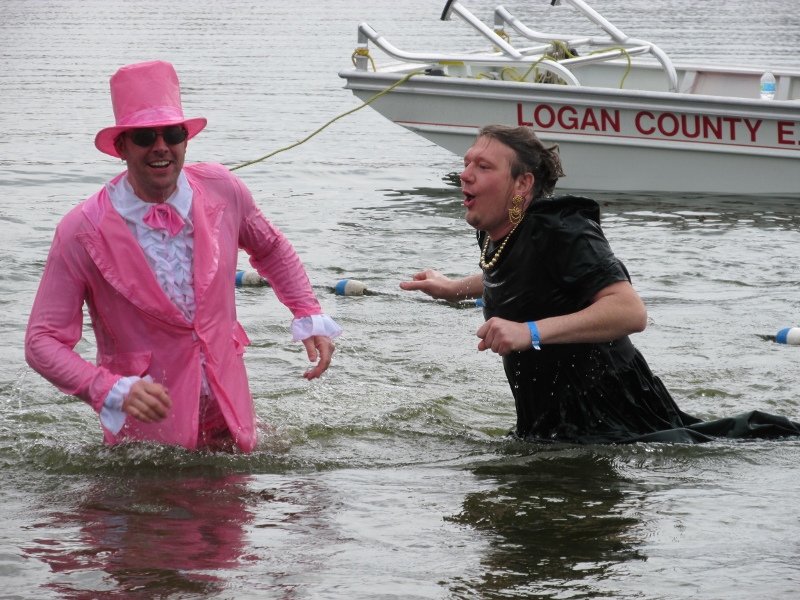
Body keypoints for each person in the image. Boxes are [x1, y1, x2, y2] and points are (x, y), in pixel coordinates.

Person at [401, 124, 800, 443]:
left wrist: (529, 331)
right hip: (551, 422)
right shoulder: (499, 231)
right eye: (467, 163)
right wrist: (453, 288)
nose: (465, 174)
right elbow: (523, 278)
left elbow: (630, 312)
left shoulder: (562, 229)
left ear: (522, 185)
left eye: (484, 167)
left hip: (614, 416)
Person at [25, 60, 341, 453]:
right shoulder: (80, 230)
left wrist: (306, 312)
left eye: (172, 133)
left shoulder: (223, 189)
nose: (161, 146)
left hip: (231, 410)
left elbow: (271, 247)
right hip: (149, 434)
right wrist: (107, 388)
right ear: (121, 147)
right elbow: (41, 341)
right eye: (144, 136)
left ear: (186, 140)